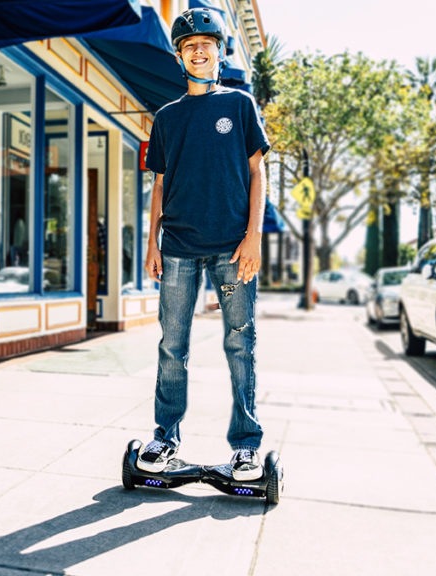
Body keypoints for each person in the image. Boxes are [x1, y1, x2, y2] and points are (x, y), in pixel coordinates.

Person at [137, 7, 270, 481]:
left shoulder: (239, 105)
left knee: (240, 344)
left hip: (233, 249)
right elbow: (158, 185)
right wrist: (152, 243)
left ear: (219, 51)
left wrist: (254, 236)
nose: (198, 50)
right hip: (177, 248)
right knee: (173, 345)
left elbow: (258, 172)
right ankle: (165, 438)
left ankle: (246, 447)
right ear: (179, 56)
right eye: (189, 45)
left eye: (206, 44)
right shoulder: (167, 119)